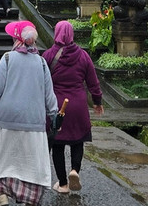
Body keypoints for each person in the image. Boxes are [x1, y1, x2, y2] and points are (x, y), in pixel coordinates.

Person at [0, 21, 58, 206]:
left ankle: (3, 194)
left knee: (3, 159)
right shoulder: (41, 63)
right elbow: (49, 94)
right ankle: (30, 198)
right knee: (30, 164)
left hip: (6, 120)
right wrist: (54, 114)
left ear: (17, 39)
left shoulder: (7, 58)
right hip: (33, 121)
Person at [42, 20, 104, 194]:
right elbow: (93, 82)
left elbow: (41, 82)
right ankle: (75, 170)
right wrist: (98, 102)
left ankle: (62, 184)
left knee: (58, 145)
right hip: (78, 104)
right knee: (78, 141)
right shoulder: (83, 55)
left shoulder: (48, 55)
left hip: (56, 105)